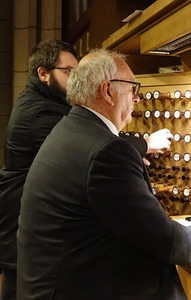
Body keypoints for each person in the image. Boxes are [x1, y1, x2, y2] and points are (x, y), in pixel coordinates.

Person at [17, 48, 191, 300]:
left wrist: (179, 227)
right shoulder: (107, 151)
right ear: (108, 91)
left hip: (56, 282)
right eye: (133, 88)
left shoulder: (70, 128)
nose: (137, 99)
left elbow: (131, 222)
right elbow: (162, 241)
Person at [0, 40, 172, 300]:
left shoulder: (53, 107)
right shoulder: (39, 114)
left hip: (46, 242)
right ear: (43, 74)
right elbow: (95, 148)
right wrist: (143, 146)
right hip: (35, 247)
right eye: (69, 71)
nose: (75, 77)